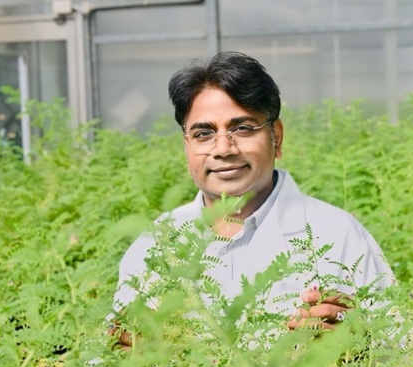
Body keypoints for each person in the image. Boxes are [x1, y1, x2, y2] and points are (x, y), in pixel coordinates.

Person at [110, 51, 396, 348]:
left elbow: (405, 354)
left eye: (242, 128)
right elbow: (109, 358)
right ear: (186, 147)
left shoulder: (339, 235)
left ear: (277, 137)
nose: (223, 148)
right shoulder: (155, 245)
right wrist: (126, 351)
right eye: (204, 133)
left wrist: (360, 344)